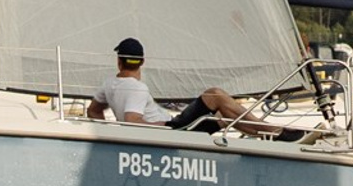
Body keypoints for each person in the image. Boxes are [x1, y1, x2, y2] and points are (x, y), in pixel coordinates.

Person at [85, 38, 280, 136]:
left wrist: (108, 133)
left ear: (119, 61)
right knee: (216, 95)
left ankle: (268, 136)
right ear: (142, 62)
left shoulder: (108, 83)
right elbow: (132, 120)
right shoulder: (137, 88)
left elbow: (93, 111)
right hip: (174, 130)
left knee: (225, 115)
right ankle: (273, 131)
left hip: (174, 128)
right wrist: (163, 126)